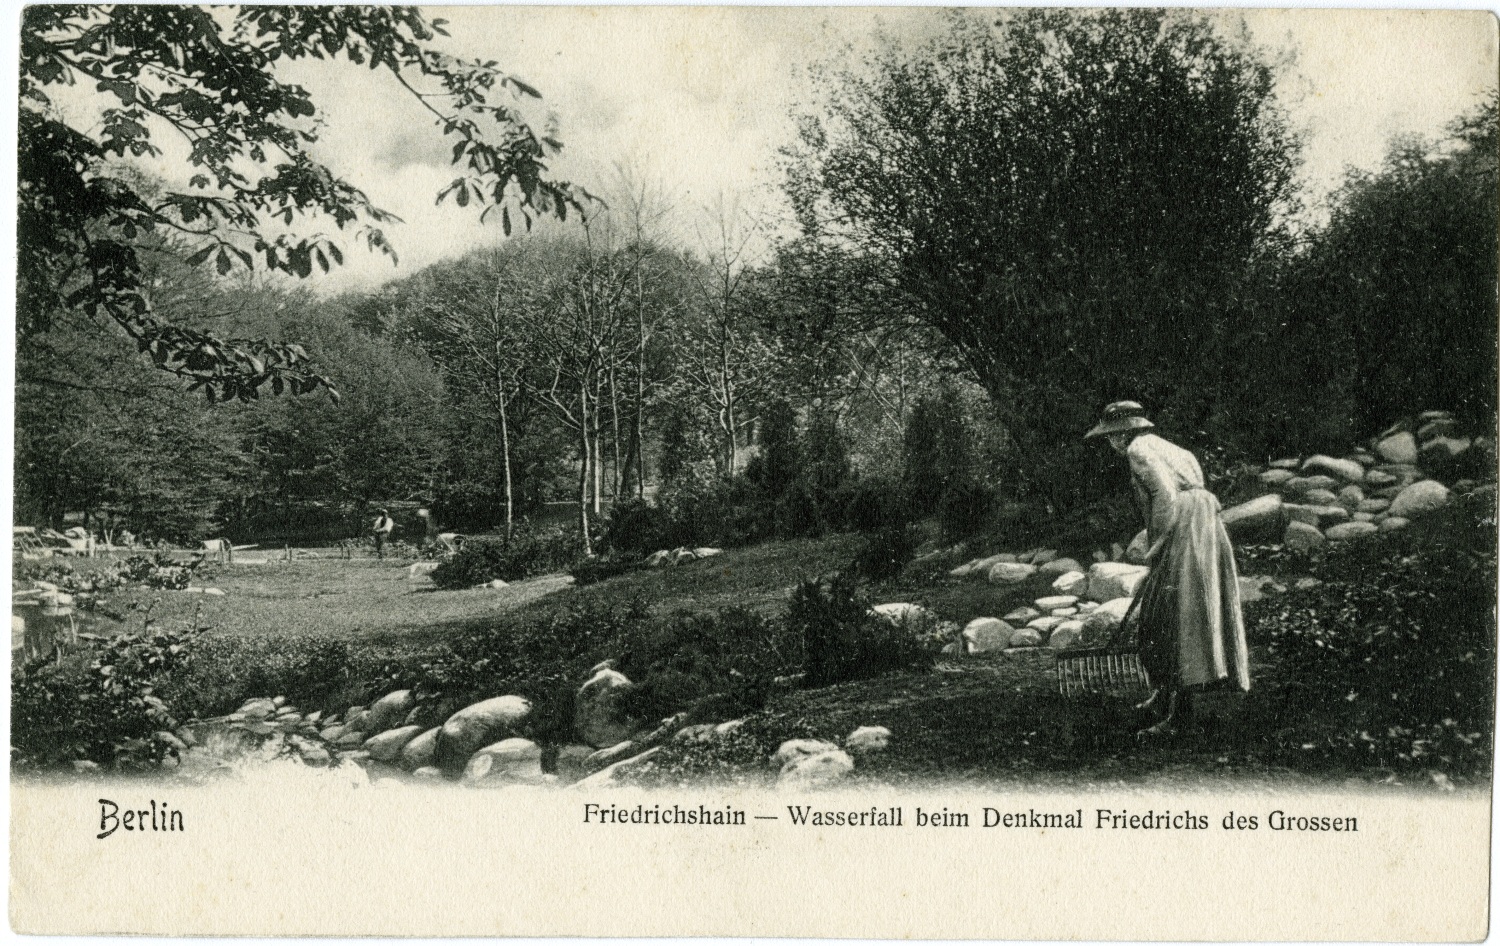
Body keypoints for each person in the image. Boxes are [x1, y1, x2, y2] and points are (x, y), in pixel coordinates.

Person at [1085, 401, 1250, 740]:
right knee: (1175, 612)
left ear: (1121, 434)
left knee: (1176, 617)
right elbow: (1197, 487)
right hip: (1204, 523)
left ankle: (1179, 716)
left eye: (1111, 436)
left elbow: (1166, 497)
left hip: (1184, 525)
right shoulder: (1173, 448)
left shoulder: (1137, 450)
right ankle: (1163, 696)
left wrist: (1158, 545)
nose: (1111, 443)